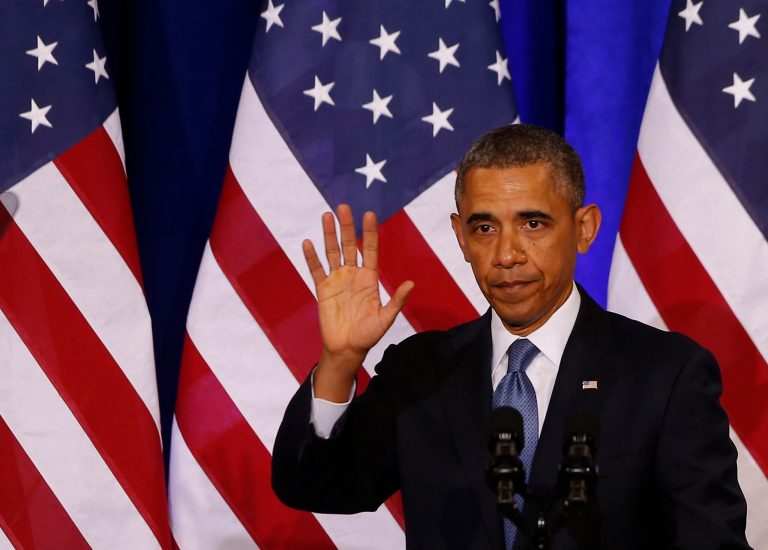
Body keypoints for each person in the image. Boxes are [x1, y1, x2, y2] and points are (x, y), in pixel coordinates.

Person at [272, 124, 749, 549]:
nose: (506, 254)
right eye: (484, 227)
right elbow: (314, 486)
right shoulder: (421, 372)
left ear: (584, 229)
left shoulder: (665, 375)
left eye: (532, 223)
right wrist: (340, 361)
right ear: (461, 237)